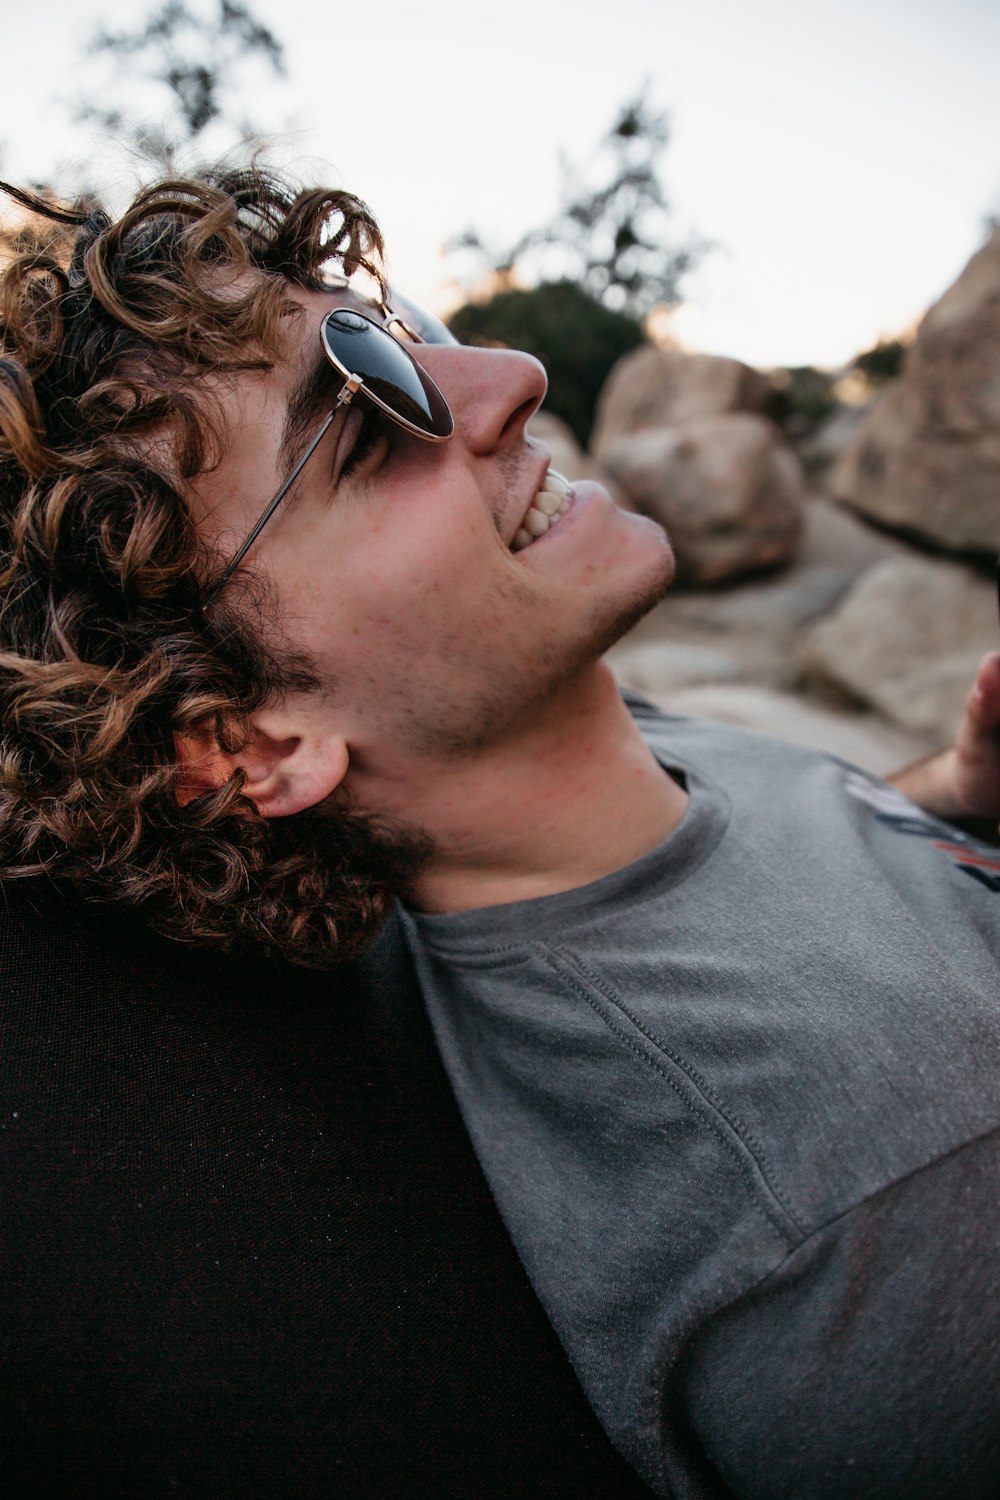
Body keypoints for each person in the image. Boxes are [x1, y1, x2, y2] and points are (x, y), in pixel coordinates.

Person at [1, 166, 999, 1498]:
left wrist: (947, 791)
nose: (508, 376)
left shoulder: (575, 755)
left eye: (395, 330)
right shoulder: (870, 1196)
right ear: (255, 743)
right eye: (366, 427)